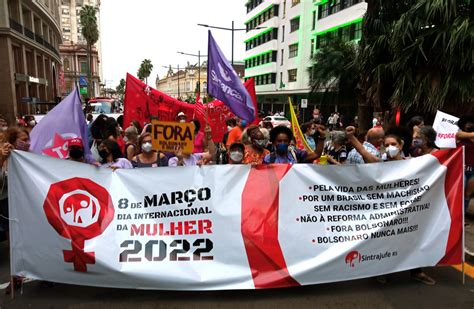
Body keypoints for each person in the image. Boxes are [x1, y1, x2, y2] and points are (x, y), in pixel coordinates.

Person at [456, 115, 474, 213]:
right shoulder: (459, 135)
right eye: (468, 123)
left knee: (467, 195)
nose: (470, 125)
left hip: (472, 170)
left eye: (471, 123)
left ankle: (463, 217)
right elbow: (460, 135)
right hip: (460, 169)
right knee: (459, 194)